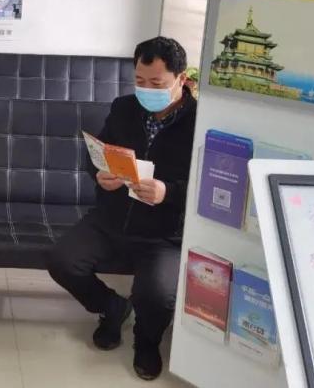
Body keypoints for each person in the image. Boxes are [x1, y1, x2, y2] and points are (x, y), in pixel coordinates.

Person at [46, 37, 196, 381]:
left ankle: (147, 341)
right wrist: (99, 174)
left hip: (164, 233)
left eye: (156, 83)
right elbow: (97, 154)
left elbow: (208, 187)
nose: (146, 90)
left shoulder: (199, 122)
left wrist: (168, 192)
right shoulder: (124, 107)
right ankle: (112, 307)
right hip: (111, 218)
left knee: (156, 295)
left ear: (182, 79)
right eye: (140, 81)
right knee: (62, 260)